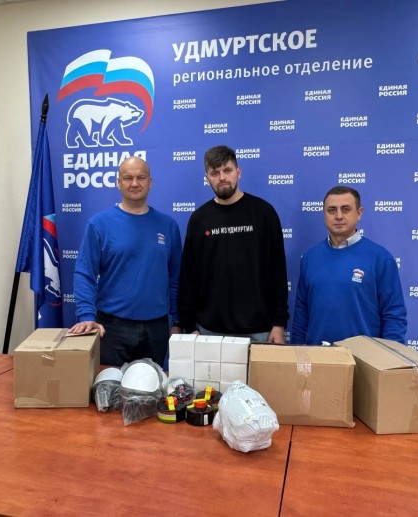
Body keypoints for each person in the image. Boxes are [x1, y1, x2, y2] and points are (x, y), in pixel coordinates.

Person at [69, 156, 181, 367]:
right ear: (118, 182)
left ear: (150, 182)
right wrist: (86, 315)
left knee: (151, 387)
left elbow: (176, 278)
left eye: (141, 177)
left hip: (156, 330)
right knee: (109, 386)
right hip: (112, 329)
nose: (135, 183)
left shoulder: (168, 225)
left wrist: (177, 321)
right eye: (128, 178)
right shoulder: (99, 224)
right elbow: (85, 273)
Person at [177, 145, 289, 343]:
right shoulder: (199, 219)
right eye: (215, 173)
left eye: (227, 170)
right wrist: (190, 326)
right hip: (209, 331)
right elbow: (188, 277)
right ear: (207, 178)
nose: (222, 177)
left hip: (259, 330)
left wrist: (279, 323)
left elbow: (278, 272)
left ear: (238, 172)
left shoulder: (264, 213)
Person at [291, 185, 407, 345]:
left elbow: (393, 314)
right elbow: (302, 310)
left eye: (345, 209)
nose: (338, 216)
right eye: (332, 210)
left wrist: (390, 354)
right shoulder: (310, 258)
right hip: (317, 355)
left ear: (359, 213)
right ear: (324, 214)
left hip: (364, 357)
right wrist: (298, 348)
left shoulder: (380, 258)